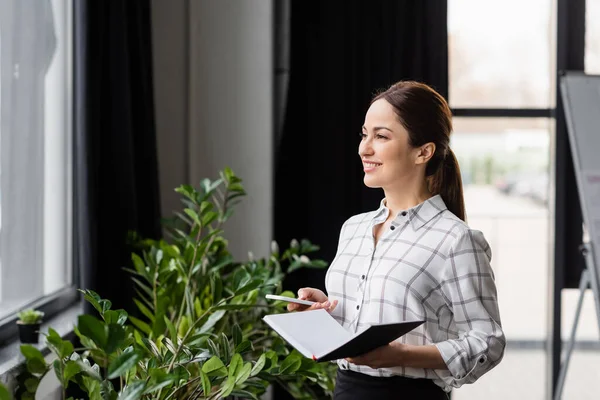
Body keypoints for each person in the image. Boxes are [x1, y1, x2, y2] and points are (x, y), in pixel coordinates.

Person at [287, 81, 505, 399]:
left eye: (381, 136)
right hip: (345, 390)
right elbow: (364, 320)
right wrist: (324, 309)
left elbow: (488, 341)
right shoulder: (353, 229)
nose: (364, 148)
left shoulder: (456, 240)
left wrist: (401, 355)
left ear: (423, 152)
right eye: (364, 134)